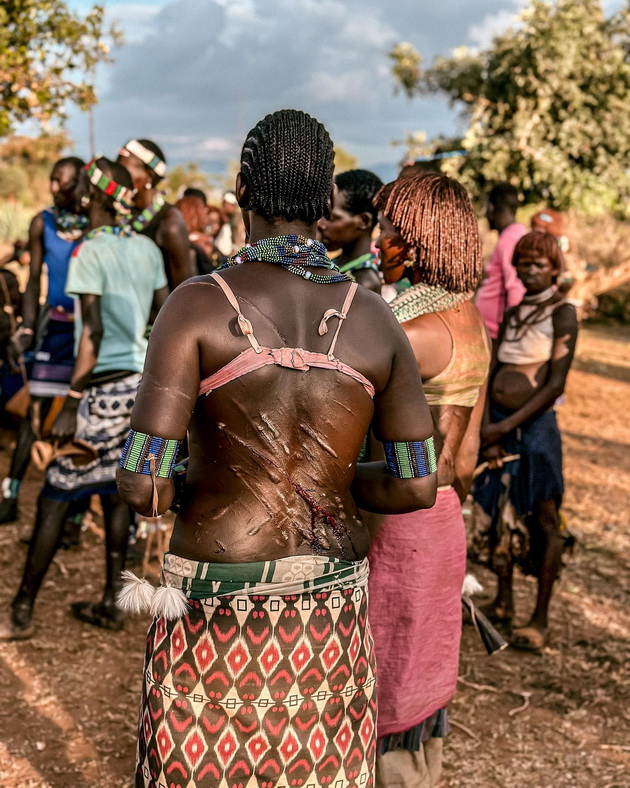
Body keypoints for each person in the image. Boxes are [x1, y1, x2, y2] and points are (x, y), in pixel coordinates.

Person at [116, 109, 437, 788]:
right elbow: (415, 481)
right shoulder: (377, 318)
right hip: (328, 601)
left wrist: (193, 470)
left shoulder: (197, 306)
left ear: (240, 191)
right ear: (326, 202)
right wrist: (332, 482)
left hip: (213, 595)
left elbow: (143, 482)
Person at [0, 158, 168, 639]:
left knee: (55, 495)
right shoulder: (146, 248)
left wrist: (72, 400)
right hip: (140, 388)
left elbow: (90, 332)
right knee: (117, 495)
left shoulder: (88, 254)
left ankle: (19, 612)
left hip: (97, 387)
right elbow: (164, 312)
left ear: (92, 198)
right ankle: (112, 604)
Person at [367, 173, 489, 787]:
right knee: (419, 677)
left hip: (395, 524)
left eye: (385, 228)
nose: (375, 240)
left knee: (384, 678)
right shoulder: (468, 323)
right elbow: (463, 463)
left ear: (412, 244)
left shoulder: (410, 335)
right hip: (443, 523)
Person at [472, 230, 578, 652]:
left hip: (535, 429)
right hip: (498, 423)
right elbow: (493, 367)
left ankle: (540, 617)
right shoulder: (515, 312)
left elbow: (553, 385)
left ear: (555, 270)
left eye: (541, 264)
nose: (531, 270)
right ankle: (503, 602)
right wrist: (489, 427)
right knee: (501, 511)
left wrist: (504, 428)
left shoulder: (563, 313)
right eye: (524, 263)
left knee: (543, 518)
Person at [0, 157, 87, 524]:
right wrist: (28, 328)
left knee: (82, 415)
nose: (54, 188)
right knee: (35, 410)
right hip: (56, 325)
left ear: (79, 184)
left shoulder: (98, 226)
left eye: (61, 182)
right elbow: (34, 278)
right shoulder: (43, 222)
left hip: (88, 332)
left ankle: (77, 513)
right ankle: (11, 490)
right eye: (52, 180)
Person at [117, 138, 195, 288]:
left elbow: (185, 290)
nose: (118, 177)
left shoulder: (170, 223)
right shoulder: (124, 217)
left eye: (124, 171)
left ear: (149, 176)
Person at [475, 183, 528, 342]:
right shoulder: (512, 235)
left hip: (497, 334)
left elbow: (514, 287)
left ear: (491, 207)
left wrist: (512, 333)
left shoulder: (510, 239)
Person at [318, 169, 383, 293]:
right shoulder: (335, 264)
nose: (321, 225)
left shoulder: (364, 283)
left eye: (330, 218)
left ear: (363, 221)